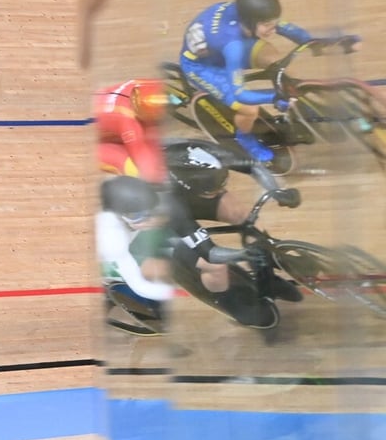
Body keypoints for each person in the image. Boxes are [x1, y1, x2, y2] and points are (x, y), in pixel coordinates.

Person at [179, 0, 359, 162]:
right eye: (267, 25)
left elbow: (292, 31)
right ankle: (245, 139)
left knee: (279, 63)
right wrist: (274, 97)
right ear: (250, 22)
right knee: (248, 109)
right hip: (202, 67)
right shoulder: (233, 46)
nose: (273, 29)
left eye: (274, 22)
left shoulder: (254, 16)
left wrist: (324, 45)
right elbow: (240, 94)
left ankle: (298, 106)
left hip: (223, 46)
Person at [163, 138, 303, 313]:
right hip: (164, 216)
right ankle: (230, 303)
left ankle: (267, 277)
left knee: (243, 216)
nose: (221, 191)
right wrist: (243, 254)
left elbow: (254, 166)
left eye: (222, 185)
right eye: (213, 190)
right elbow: (210, 253)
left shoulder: (210, 152)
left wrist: (277, 193)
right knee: (214, 267)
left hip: (188, 193)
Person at [97, 176, 177, 335]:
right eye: (137, 215)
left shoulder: (122, 205)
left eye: (150, 212)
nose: (147, 218)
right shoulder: (112, 240)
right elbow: (139, 285)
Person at [96, 79, 168, 184]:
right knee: (133, 169)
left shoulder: (139, 85)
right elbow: (147, 168)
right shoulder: (127, 120)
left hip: (103, 124)